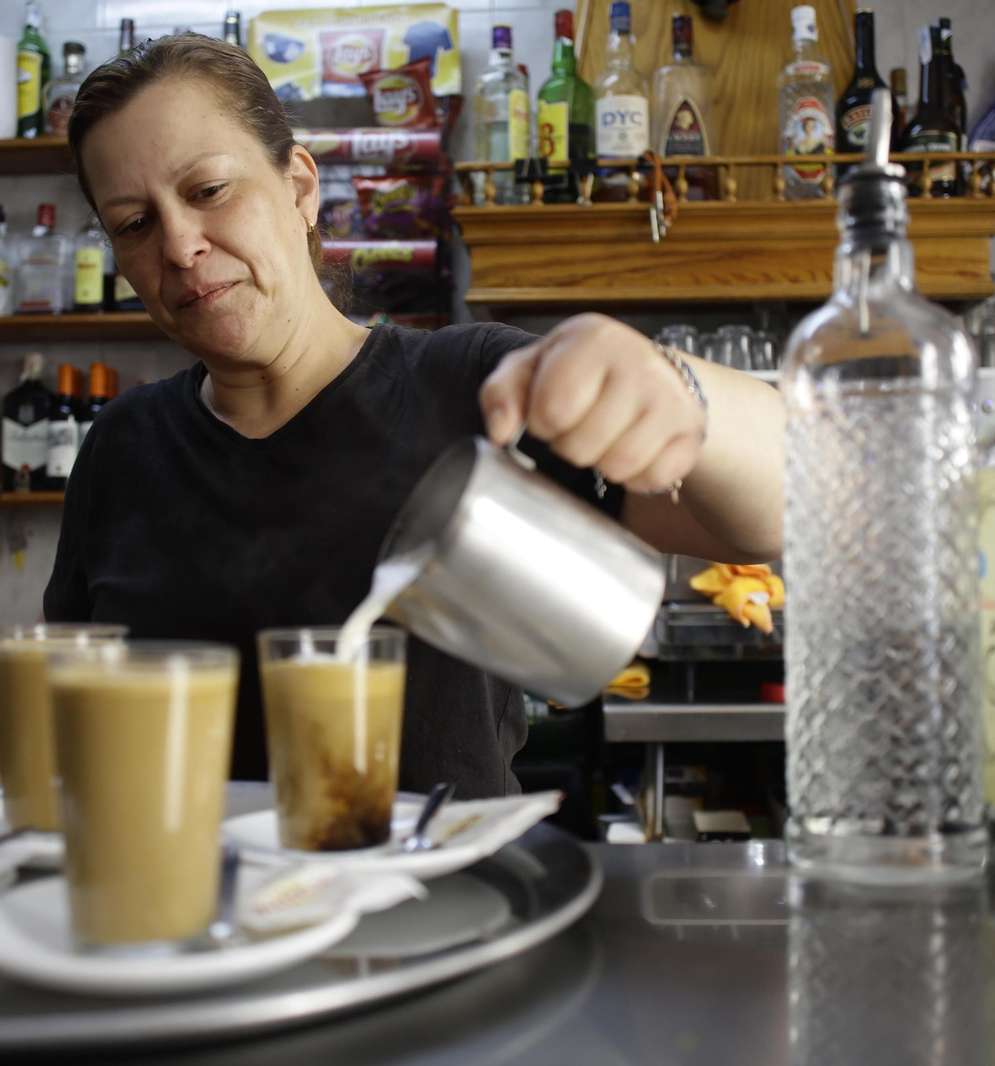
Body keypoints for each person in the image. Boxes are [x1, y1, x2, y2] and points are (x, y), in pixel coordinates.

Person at [44, 35, 785, 799]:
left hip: (447, 908)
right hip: (193, 910)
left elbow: (776, 512)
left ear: (300, 188)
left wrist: (677, 387)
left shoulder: (475, 387)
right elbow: (69, 727)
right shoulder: (122, 449)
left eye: (208, 191)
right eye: (134, 224)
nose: (181, 245)